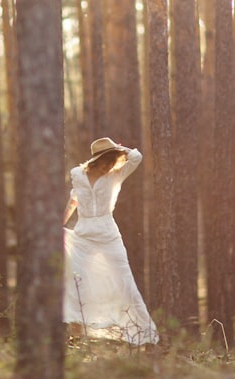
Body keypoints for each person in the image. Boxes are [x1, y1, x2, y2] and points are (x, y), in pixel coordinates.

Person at [62, 137, 159, 345]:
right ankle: (77, 332)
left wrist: (118, 147)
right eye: (109, 158)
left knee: (125, 281)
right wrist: (59, 223)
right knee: (81, 283)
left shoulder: (116, 174)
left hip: (108, 234)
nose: (111, 162)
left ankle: (144, 335)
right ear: (97, 159)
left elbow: (136, 157)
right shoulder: (77, 174)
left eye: (114, 158)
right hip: (83, 234)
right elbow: (74, 200)